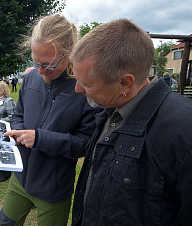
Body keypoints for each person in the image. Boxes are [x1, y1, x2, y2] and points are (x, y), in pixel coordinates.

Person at [70, 19, 192, 226]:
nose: (77, 90)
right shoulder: (111, 108)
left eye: (86, 84)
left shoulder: (184, 132)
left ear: (125, 82)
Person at [0, 14, 99, 226]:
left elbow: (83, 144)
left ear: (69, 53)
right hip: (20, 178)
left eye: (48, 64)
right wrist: (17, 132)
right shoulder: (32, 77)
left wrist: (40, 139)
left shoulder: (84, 89)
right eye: (35, 62)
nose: (40, 71)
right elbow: (18, 115)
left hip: (53, 189)